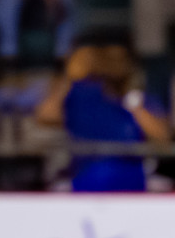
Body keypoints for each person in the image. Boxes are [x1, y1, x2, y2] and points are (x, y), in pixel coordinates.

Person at [36, 42, 169, 191]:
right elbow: (45, 115)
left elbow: (163, 135)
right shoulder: (81, 95)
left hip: (131, 179)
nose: (111, 64)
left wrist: (132, 103)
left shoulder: (137, 100)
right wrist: (69, 76)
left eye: (119, 59)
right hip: (87, 177)